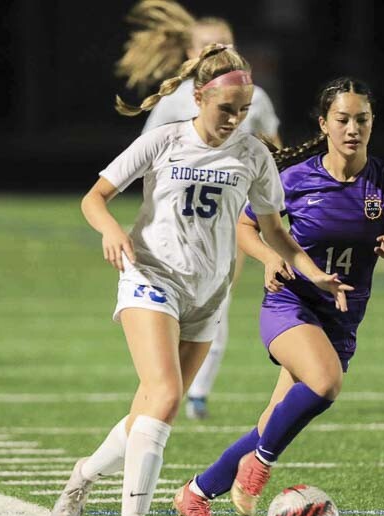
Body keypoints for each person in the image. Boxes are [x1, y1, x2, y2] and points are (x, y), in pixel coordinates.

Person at [49, 45, 352, 516]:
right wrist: (110, 232)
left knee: (150, 410)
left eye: (244, 109)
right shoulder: (163, 141)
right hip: (151, 279)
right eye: (225, 109)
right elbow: (93, 198)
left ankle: (84, 473)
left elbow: (276, 231)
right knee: (165, 394)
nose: (235, 119)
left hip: (207, 298)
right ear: (198, 98)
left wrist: (313, 273)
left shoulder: (252, 154)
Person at [171, 77, 384, 516]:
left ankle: (195, 493)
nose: (353, 129)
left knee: (272, 421)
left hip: (341, 320)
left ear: (373, 124)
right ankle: (260, 465)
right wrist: (270, 257)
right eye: (343, 119)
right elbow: (246, 228)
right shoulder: (295, 177)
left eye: (362, 120)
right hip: (289, 304)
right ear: (324, 123)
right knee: (325, 382)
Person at [116, 0, 282, 419]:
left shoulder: (254, 97)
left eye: (224, 43)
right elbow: (147, 160)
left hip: (233, 215)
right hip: (176, 226)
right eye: (207, 45)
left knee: (216, 297)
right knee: (178, 307)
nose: (216, 50)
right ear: (191, 53)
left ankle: (197, 392)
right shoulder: (175, 102)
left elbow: (275, 151)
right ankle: (164, 382)